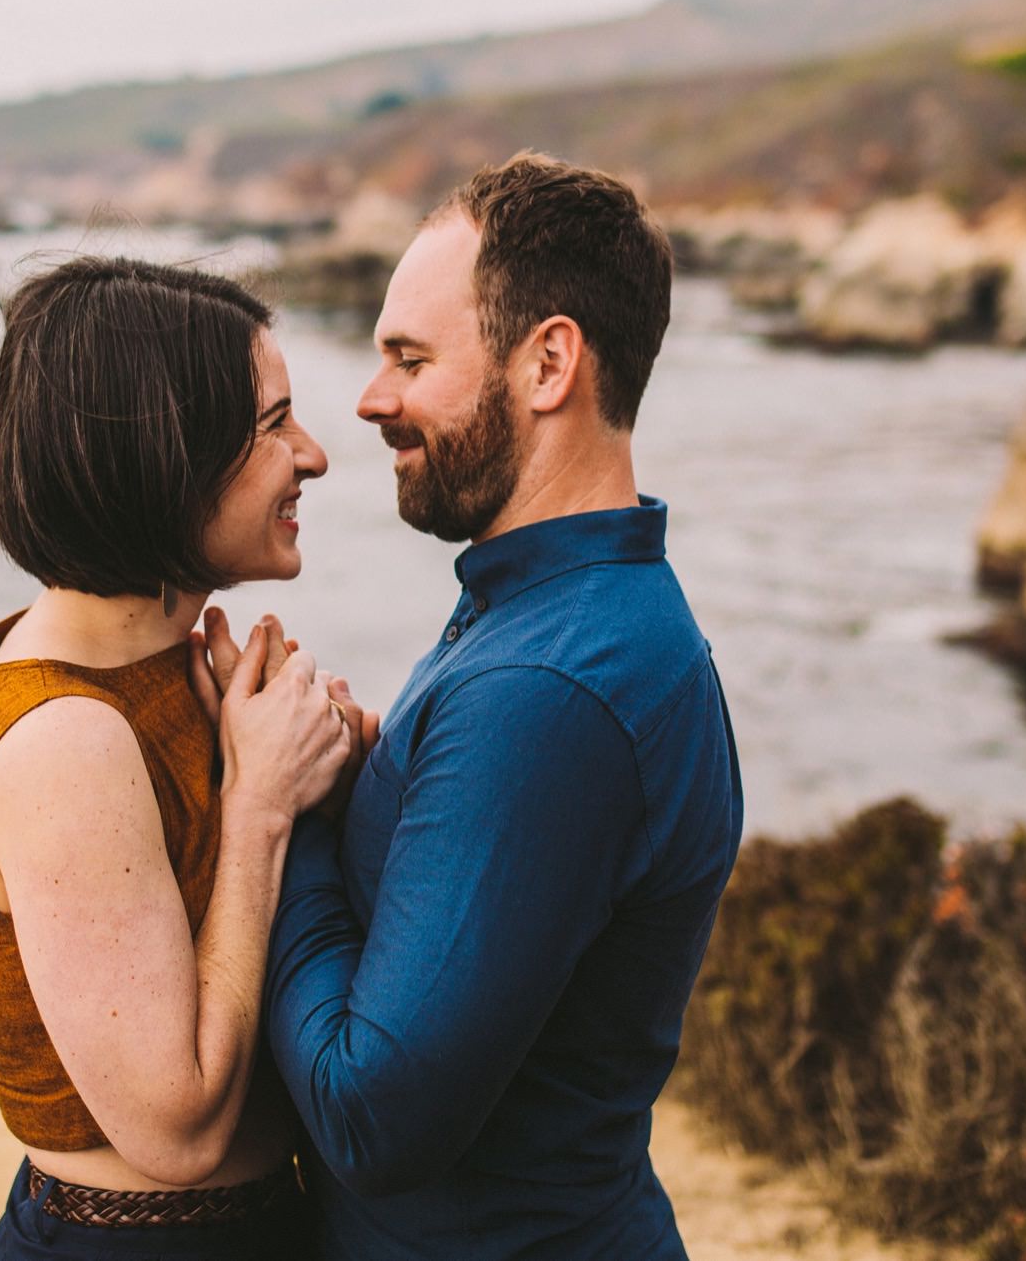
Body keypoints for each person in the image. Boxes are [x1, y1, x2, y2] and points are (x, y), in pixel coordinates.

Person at [262, 154, 746, 1258]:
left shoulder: (547, 686)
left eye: (410, 358)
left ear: (548, 363)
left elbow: (371, 1116)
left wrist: (277, 816)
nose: (371, 398)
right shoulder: (561, 612)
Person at [0, 256, 371, 1260]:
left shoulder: (163, 671)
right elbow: (175, 1130)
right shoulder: (64, 741)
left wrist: (324, 755)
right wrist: (260, 802)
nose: (311, 455)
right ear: (166, 455)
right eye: (273, 424)